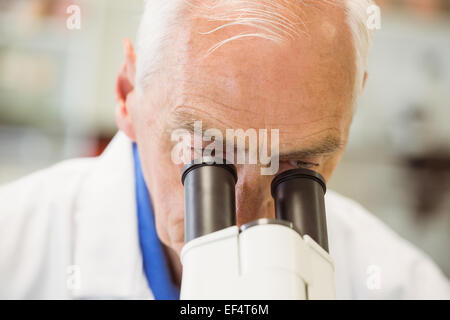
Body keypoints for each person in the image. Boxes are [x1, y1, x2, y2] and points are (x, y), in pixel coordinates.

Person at [0, 0, 449, 299]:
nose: (247, 220)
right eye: (205, 158)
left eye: (298, 165)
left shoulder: (403, 286)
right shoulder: (14, 254)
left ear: (348, 116)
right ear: (127, 93)